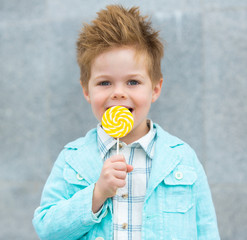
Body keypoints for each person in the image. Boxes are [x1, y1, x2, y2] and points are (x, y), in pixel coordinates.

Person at [33, 5, 220, 240]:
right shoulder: (72, 159)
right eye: (104, 83)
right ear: (86, 91)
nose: (119, 93)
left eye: (132, 82)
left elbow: (207, 231)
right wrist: (97, 193)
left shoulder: (182, 159)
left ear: (155, 88)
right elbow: (46, 229)